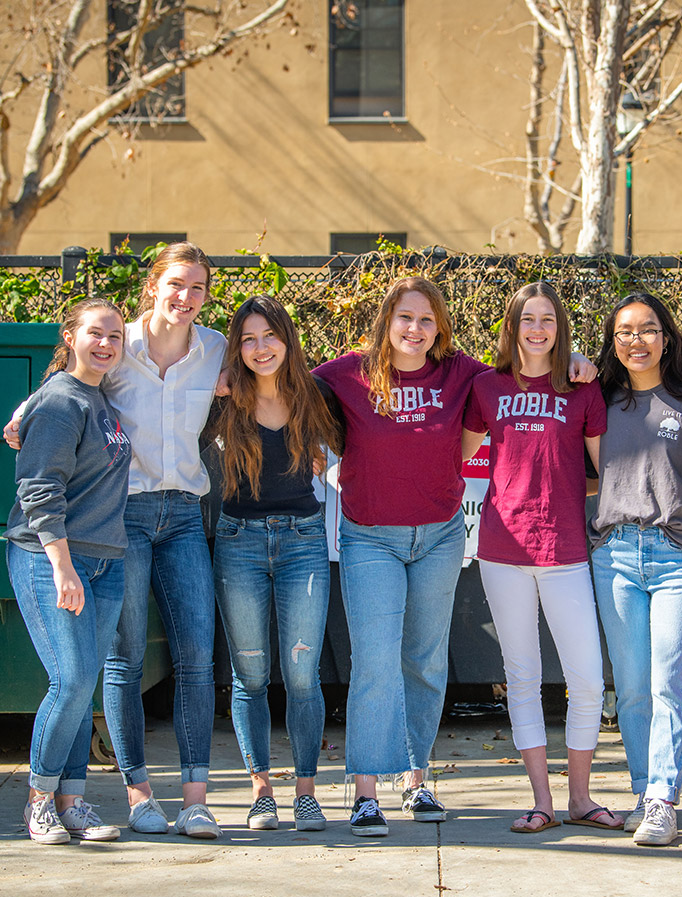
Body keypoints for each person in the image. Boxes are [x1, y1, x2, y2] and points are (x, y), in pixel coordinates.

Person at [313, 275, 596, 837]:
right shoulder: (346, 373)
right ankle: (366, 790)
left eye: (425, 320)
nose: (414, 330)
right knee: (374, 660)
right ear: (385, 322)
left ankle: (416, 781)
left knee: (424, 660)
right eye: (404, 318)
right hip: (371, 536)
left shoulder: (464, 373)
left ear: (440, 326)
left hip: (441, 535)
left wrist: (581, 358)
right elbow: (281, 380)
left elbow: (526, 366)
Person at [6, 243, 228, 837]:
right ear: (154, 285)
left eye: (198, 288)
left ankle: (195, 800)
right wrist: (31, 406)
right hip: (118, 517)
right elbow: (72, 377)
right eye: (176, 284)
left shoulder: (215, 350)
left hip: (182, 512)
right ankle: (137, 796)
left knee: (196, 658)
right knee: (117, 662)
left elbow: (269, 375)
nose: (185, 297)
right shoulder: (118, 340)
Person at [461, 282, 621, 833]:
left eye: (547, 319)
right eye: (527, 319)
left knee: (587, 679)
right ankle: (541, 801)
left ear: (560, 327)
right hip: (501, 549)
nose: (537, 329)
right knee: (522, 677)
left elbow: (607, 475)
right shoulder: (486, 386)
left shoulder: (582, 388)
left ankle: (581, 797)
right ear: (513, 327)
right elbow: (456, 454)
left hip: (565, 547)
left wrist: (562, 491)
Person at [212, 295, 342, 831]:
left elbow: (364, 442)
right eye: (248, 339)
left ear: (287, 340)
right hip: (237, 540)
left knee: (303, 675)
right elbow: (142, 404)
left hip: (303, 541)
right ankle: (261, 791)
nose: (260, 348)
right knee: (250, 676)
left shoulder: (315, 396)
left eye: (270, 336)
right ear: (236, 348)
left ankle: (306, 792)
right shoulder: (221, 399)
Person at [8, 299, 131, 844]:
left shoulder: (98, 398)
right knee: (74, 679)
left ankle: (73, 802)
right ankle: (39, 801)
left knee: (86, 685)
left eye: (115, 337)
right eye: (96, 333)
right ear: (71, 336)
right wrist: (63, 568)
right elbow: (38, 489)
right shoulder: (61, 401)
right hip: (52, 557)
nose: (106, 344)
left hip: (105, 560)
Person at [589, 293, 682, 846]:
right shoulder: (599, 402)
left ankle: (663, 798)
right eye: (625, 333)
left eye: (648, 329)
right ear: (613, 343)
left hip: (677, 555)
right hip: (613, 555)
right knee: (633, 688)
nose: (637, 341)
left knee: (668, 683)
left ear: (667, 336)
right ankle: (643, 792)